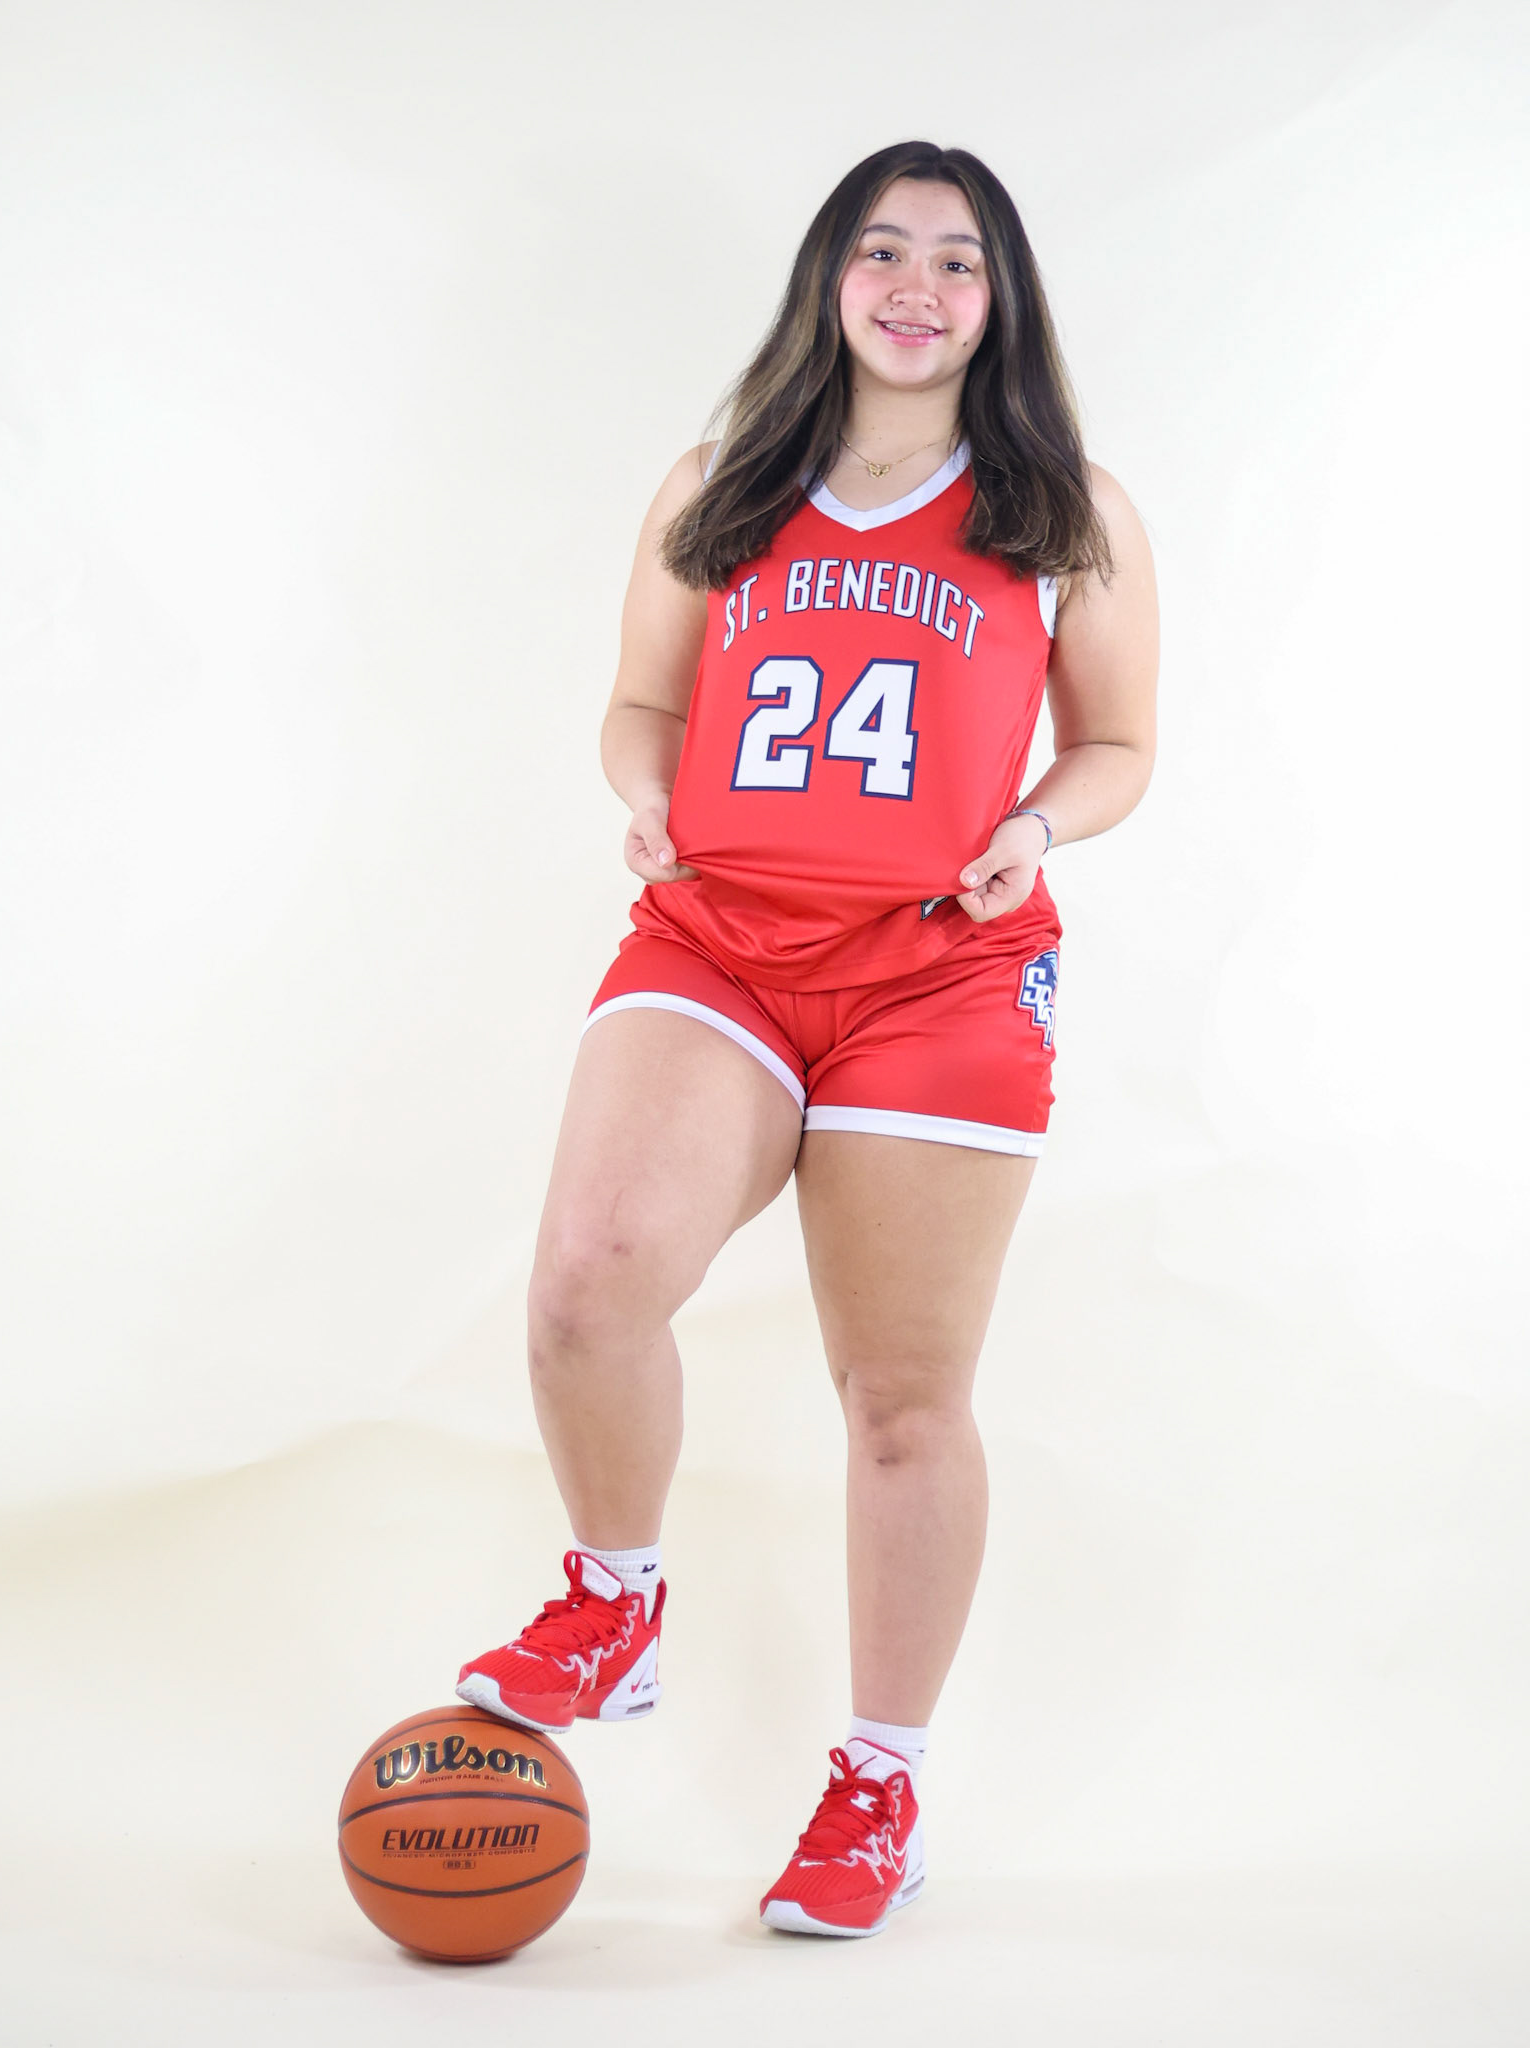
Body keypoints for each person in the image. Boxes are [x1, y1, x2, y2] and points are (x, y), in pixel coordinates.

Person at [455, 138, 1159, 1938]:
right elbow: (641, 701)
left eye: (960, 260)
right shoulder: (721, 484)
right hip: (719, 937)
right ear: (827, 281)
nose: (917, 286)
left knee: (902, 1398)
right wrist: (640, 797)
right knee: (589, 1278)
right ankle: (612, 1603)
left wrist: (1040, 827)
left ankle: (879, 1789)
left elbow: (1118, 745)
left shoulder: (1064, 506)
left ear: (1002, 303)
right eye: (882, 250)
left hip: (943, 967)